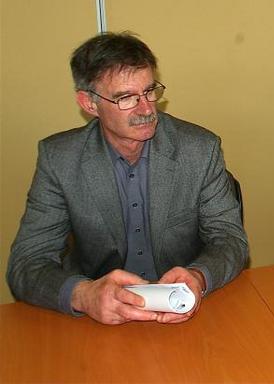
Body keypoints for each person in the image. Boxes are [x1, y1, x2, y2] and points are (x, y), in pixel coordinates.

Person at [6, 32, 248, 325]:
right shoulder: (60, 159)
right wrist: (84, 295)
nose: (147, 109)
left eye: (149, 91)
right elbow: (27, 263)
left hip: (184, 311)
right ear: (89, 103)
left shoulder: (198, 149)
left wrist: (198, 276)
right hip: (99, 319)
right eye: (126, 98)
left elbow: (230, 240)